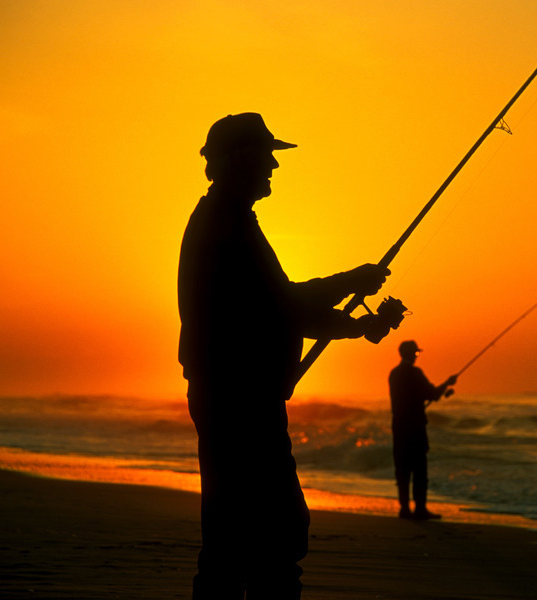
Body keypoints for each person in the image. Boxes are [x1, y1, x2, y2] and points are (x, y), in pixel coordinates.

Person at [178, 112, 394, 600]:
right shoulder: (223, 225)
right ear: (240, 159)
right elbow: (283, 305)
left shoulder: (227, 220)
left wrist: (357, 327)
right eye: (267, 155)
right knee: (274, 535)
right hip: (239, 402)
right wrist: (350, 283)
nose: (274, 166)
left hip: (235, 399)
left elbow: (275, 311)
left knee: (233, 537)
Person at [388, 340, 457, 520]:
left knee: (402, 468)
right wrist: (447, 383)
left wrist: (441, 391)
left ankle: (404, 509)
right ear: (411, 354)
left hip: (398, 425)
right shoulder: (414, 373)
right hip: (415, 426)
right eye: (416, 354)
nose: (416, 357)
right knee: (419, 469)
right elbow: (431, 394)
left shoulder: (394, 374)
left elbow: (421, 395)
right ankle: (420, 509)